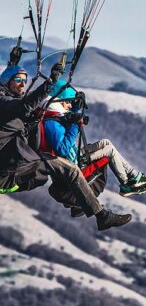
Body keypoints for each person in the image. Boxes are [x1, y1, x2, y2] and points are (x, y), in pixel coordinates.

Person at [0, 54, 131, 231]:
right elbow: (23, 106)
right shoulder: (4, 103)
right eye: (18, 80)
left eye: (25, 80)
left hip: (14, 164)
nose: (23, 84)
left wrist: (12, 63)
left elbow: (23, 104)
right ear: (7, 81)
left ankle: (79, 203)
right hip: (8, 171)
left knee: (53, 167)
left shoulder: (8, 101)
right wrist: (51, 82)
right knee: (69, 169)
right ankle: (101, 215)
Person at [42, 80, 146, 198]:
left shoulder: (54, 114)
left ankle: (134, 176)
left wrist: (77, 107)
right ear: (61, 100)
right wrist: (75, 126)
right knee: (109, 150)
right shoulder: (51, 122)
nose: (69, 106)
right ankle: (126, 183)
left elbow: (65, 118)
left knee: (105, 142)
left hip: (74, 156)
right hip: (73, 162)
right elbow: (63, 150)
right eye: (68, 102)